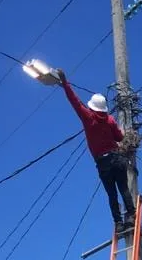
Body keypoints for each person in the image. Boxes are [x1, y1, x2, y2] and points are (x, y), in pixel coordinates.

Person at [57, 69, 136, 230]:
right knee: (123, 188)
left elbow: (75, 101)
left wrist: (65, 83)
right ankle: (131, 215)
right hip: (117, 158)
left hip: (103, 162)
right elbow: (120, 138)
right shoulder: (110, 120)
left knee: (112, 194)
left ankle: (118, 223)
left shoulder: (88, 117)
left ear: (92, 107)